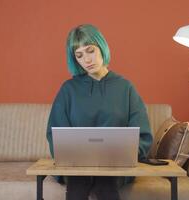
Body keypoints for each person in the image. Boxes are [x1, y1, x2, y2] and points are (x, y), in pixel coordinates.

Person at [46, 24, 153, 200]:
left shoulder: (125, 87)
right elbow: (55, 134)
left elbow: (143, 133)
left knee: (106, 185)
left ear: (101, 47)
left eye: (90, 51)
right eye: (79, 55)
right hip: (77, 167)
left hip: (115, 166)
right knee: (78, 186)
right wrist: (70, 158)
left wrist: (127, 155)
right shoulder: (68, 90)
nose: (87, 60)